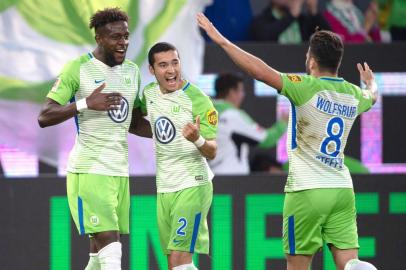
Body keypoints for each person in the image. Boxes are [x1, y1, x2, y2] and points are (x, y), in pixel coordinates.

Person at [197, 12, 378, 270]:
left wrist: (222, 41)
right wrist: (371, 84)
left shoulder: (303, 86)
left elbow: (259, 71)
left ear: (312, 61)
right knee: (349, 262)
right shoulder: (353, 93)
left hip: (306, 190)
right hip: (341, 190)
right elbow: (372, 97)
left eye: (307, 56)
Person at [38, 8, 151, 270]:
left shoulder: (132, 72)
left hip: (119, 172)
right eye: (115, 37)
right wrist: (85, 103)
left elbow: (132, 122)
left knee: (99, 255)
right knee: (111, 246)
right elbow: (44, 115)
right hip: (90, 169)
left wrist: (173, 132)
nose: (123, 42)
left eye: (126, 36)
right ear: (99, 38)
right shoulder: (79, 69)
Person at [136, 42, 218, 270]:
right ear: (152, 70)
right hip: (165, 187)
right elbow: (141, 120)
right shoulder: (149, 94)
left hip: (193, 184)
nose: (171, 70)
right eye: (163, 65)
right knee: (173, 262)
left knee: (181, 259)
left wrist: (197, 139)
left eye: (175, 62)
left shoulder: (197, 99)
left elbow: (212, 150)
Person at [209, 72, 287, 174]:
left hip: (210, 179)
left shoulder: (205, 114)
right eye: (241, 91)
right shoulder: (232, 115)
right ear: (232, 92)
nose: (243, 95)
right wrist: (283, 124)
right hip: (233, 181)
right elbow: (266, 139)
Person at [250, 0, 330, 43]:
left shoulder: (303, 21)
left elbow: (330, 39)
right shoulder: (260, 20)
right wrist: (292, 15)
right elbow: (265, 38)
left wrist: (313, 11)